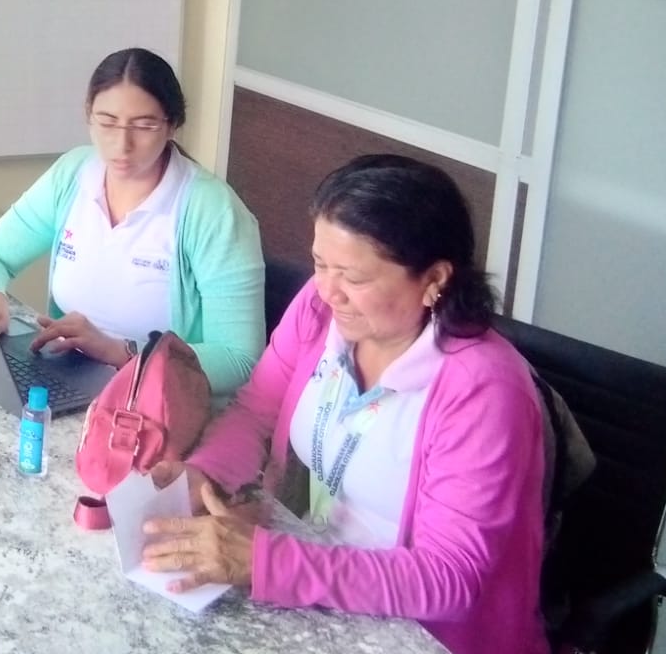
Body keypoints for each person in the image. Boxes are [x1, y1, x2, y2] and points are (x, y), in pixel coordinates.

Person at [142, 155, 548, 654]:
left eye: (354, 277)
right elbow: (256, 413)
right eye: (320, 264)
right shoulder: (319, 310)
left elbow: (450, 577)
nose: (328, 291)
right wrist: (203, 474)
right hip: (315, 587)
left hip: (419, 633)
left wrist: (268, 562)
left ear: (435, 280)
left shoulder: (483, 391)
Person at [0, 48, 264, 395]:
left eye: (144, 126)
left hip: (161, 404)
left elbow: (239, 359)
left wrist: (122, 353)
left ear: (173, 125)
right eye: (107, 122)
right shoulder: (74, 174)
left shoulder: (213, 212)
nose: (122, 145)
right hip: (72, 380)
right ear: (88, 115)